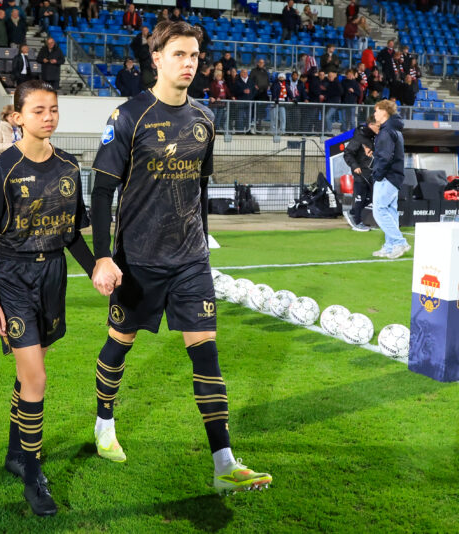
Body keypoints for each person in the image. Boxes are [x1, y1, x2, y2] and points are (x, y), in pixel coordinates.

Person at [89, 19, 272, 496]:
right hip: (139, 259)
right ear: (157, 59)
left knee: (206, 353)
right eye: (178, 55)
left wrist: (205, 244)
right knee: (120, 342)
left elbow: (199, 189)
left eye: (194, 56)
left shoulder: (204, 119)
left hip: (190, 260)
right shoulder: (128, 116)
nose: (189, 63)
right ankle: (104, 424)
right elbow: (102, 191)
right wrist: (103, 257)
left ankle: (224, 463)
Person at [0, 80, 95, 517]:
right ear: (18, 117)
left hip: (52, 277)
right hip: (13, 278)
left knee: (29, 373)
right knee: (36, 377)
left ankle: (14, 454)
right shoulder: (3, 168)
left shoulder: (69, 166)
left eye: (53, 109)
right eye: (38, 110)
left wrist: (97, 268)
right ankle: (33, 476)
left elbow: (71, 234)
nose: (48, 117)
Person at [370, 99, 411, 259]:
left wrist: (377, 174)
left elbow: (385, 157)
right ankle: (390, 247)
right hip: (395, 176)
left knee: (379, 210)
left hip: (387, 176)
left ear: (384, 111)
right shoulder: (394, 130)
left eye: (376, 110)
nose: (374, 114)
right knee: (390, 211)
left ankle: (399, 242)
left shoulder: (386, 131)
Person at [343, 115, 378, 232]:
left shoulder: (373, 137)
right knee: (360, 197)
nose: (379, 128)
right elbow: (347, 153)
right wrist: (355, 166)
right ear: (371, 125)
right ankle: (356, 221)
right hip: (361, 172)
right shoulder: (359, 137)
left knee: (372, 197)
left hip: (371, 172)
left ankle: (353, 213)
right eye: (378, 126)